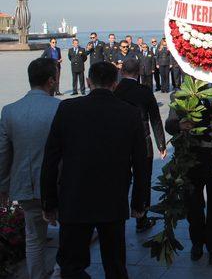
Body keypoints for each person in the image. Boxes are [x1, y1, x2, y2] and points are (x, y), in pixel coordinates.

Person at [40, 62, 149, 278]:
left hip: (74, 198)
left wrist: (48, 202)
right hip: (112, 200)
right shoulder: (129, 113)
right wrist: (139, 201)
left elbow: (51, 158)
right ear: (115, 84)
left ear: (88, 82)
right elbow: (141, 162)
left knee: (71, 266)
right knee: (115, 265)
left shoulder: (67, 109)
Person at [0, 58, 61, 279]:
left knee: (33, 238)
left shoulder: (9, 111)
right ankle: (58, 273)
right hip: (58, 185)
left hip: (26, 185)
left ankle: (36, 276)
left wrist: (3, 187)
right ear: (51, 81)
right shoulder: (61, 108)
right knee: (69, 232)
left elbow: (3, 153)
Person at [165, 83, 212, 265]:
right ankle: (197, 242)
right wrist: (179, 125)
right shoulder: (179, 95)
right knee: (193, 207)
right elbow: (170, 124)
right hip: (191, 161)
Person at [114, 59, 167, 232]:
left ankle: (118, 216)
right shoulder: (144, 91)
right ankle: (141, 217)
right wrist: (161, 144)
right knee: (142, 179)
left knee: (120, 178)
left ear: (122, 72)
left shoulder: (116, 90)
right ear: (138, 72)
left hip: (120, 141)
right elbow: (155, 119)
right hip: (142, 140)